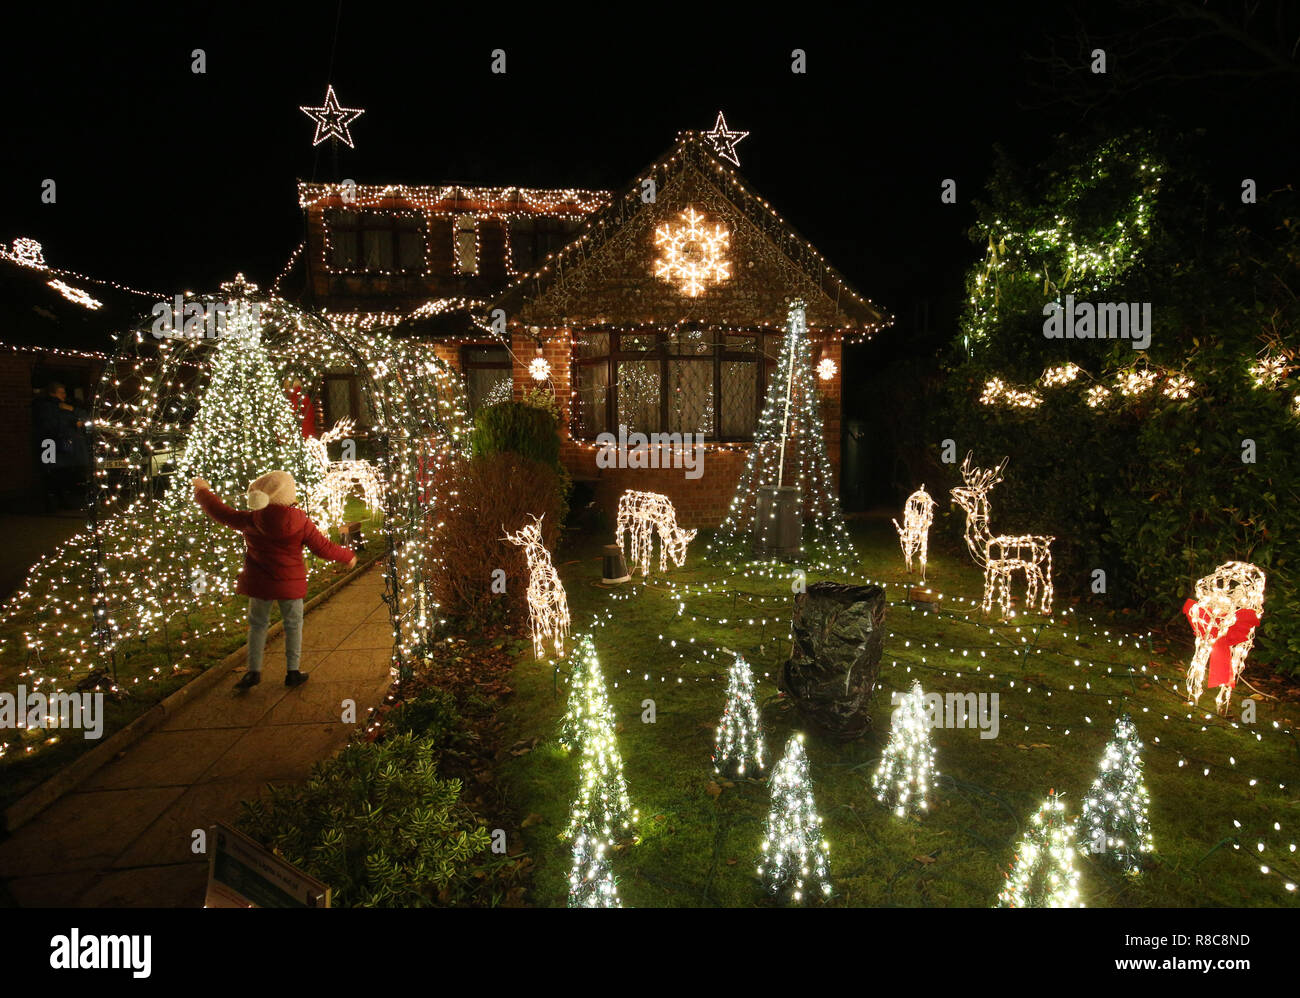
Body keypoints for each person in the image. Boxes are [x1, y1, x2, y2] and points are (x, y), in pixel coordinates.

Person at [192, 469, 356, 691]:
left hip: (260, 583)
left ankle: (253, 672)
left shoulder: (251, 519)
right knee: (293, 626)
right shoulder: (301, 521)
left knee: (258, 626)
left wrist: (203, 491)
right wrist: (347, 556)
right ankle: (292, 672)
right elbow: (322, 547)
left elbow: (220, 511)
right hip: (290, 584)